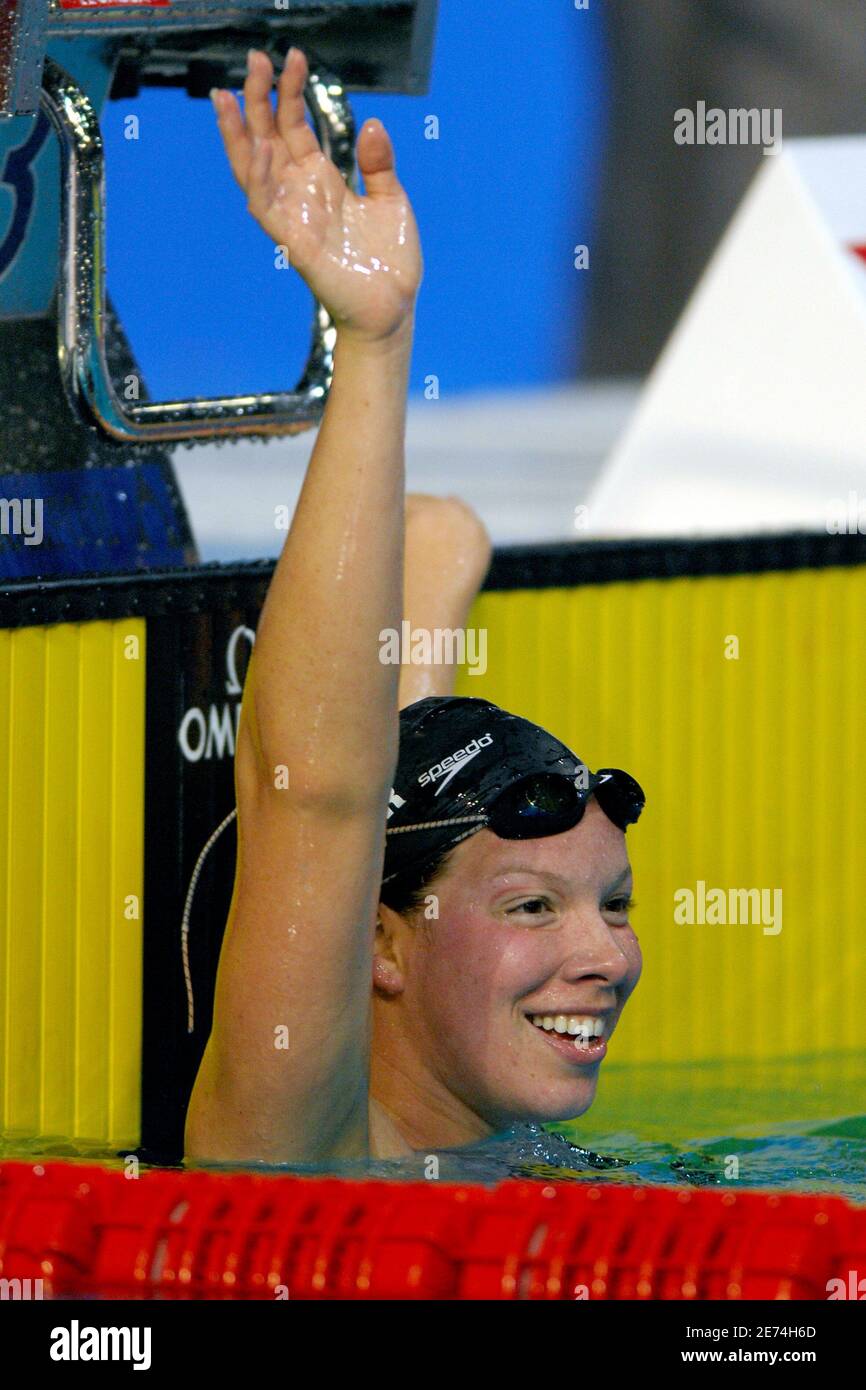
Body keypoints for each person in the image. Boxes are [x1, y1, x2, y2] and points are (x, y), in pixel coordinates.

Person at [185, 46, 645, 1165]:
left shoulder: (506, 1148)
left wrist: (432, 606)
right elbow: (327, 807)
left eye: (613, 905)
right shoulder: (302, 1157)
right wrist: (377, 343)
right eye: (535, 907)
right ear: (379, 949)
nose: (608, 956)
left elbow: (400, 822)